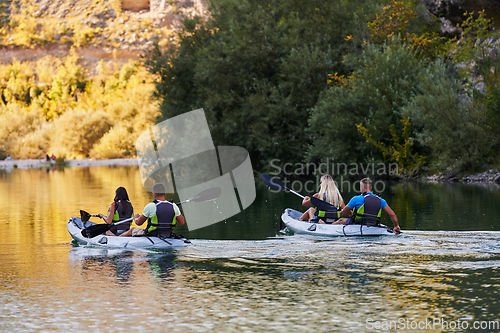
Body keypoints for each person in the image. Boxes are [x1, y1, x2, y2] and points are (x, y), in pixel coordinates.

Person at [335, 178, 401, 233]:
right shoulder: (381, 200)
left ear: (361, 187)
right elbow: (392, 214)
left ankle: (326, 227)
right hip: (374, 224)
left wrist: (342, 212)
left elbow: (344, 212)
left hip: (358, 223)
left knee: (341, 220)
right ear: (371, 188)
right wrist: (396, 226)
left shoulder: (356, 199)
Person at [120, 183, 185, 238]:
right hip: (168, 235)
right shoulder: (174, 206)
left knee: (132, 230)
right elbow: (182, 223)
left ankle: (116, 239)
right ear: (165, 193)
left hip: (152, 235)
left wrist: (135, 218)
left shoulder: (151, 206)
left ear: (154, 194)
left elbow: (139, 223)